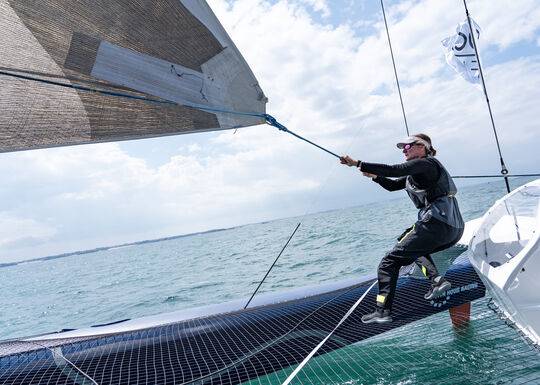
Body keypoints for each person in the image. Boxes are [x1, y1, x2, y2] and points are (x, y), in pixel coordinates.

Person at [340, 134, 464, 324]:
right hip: (453, 227)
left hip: (436, 222)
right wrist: (374, 177)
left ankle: (382, 310)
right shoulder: (417, 173)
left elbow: (394, 170)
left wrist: (357, 163)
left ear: (422, 147)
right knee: (407, 242)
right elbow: (392, 185)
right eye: (402, 149)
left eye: (408, 147)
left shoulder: (427, 164)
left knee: (388, 262)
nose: (404, 151)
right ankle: (437, 280)